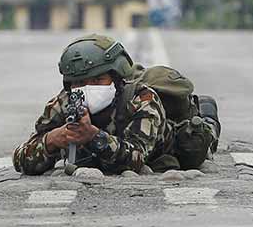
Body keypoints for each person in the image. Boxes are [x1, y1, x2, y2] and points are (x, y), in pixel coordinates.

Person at [12, 35, 220, 175]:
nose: (86, 88)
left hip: (164, 145)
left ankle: (207, 113)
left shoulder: (142, 100)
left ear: (116, 77)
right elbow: (21, 159)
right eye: (79, 83)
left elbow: (137, 159)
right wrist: (53, 139)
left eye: (97, 81)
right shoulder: (63, 103)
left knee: (196, 145)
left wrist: (94, 137)